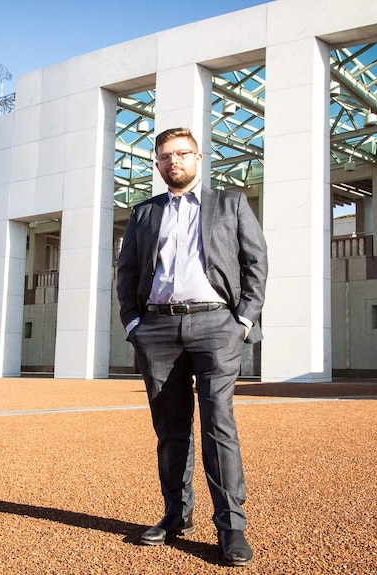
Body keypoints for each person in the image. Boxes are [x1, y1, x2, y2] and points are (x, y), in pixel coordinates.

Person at [116, 127, 267, 567]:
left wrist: (243, 319)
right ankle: (176, 515)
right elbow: (126, 272)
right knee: (170, 428)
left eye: (181, 153)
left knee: (219, 422)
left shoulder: (230, 203)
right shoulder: (144, 213)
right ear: (158, 164)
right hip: (158, 329)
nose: (173, 161)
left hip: (215, 324)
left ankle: (231, 526)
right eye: (164, 156)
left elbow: (255, 261)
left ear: (199, 158)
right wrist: (133, 323)